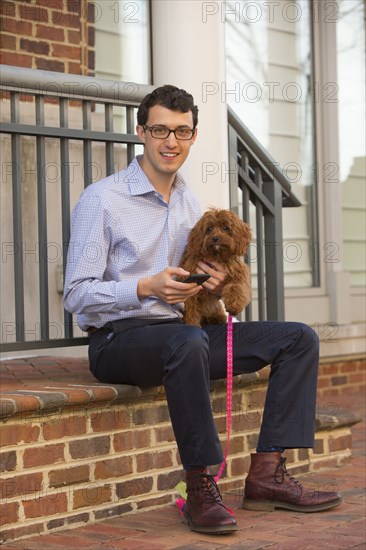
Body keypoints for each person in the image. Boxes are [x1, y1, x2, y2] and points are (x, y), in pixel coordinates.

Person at [64, 85, 342, 534]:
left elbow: (202, 277)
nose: (170, 141)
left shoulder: (191, 202)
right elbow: (76, 294)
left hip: (183, 334)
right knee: (188, 339)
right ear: (141, 132)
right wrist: (146, 287)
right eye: (159, 130)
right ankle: (199, 486)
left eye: (181, 131)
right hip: (118, 341)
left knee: (298, 338)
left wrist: (212, 284)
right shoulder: (103, 199)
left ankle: (268, 474)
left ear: (194, 136)